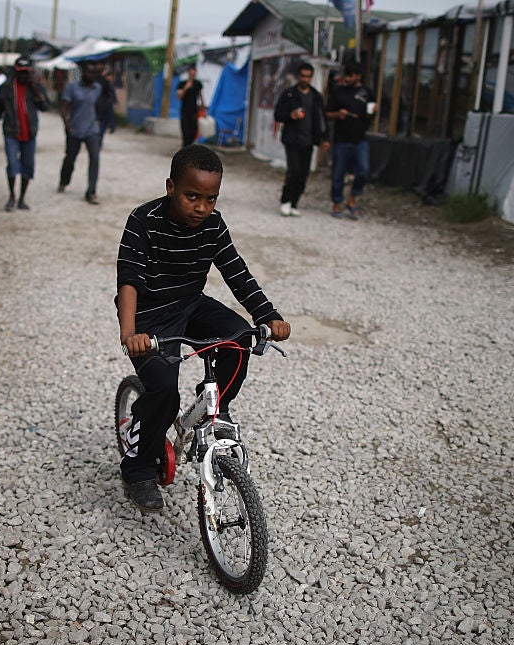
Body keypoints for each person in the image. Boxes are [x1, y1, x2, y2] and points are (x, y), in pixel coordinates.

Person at [115, 145, 291, 512]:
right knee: (164, 392)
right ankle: (137, 468)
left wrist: (269, 316)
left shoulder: (213, 224)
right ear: (170, 187)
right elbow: (128, 279)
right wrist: (129, 332)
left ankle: (217, 410)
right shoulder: (144, 220)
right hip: (149, 315)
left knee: (240, 337)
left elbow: (237, 274)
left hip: (190, 303)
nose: (201, 207)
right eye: (191, 196)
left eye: (210, 199)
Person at [0, 55, 49, 211]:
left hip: (30, 134)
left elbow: (45, 106)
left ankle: (22, 198)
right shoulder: (6, 87)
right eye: (20, 72)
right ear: (15, 71)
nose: (23, 76)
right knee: (13, 165)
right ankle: (11, 196)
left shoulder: (35, 87)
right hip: (11, 133)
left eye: (26, 72)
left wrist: (35, 90)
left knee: (28, 166)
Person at [273, 62, 330, 217]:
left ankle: (295, 202)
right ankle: (285, 200)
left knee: (303, 173)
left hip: (309, 140)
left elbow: (322, 119)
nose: (305, 79)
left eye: (308, 76)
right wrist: (290, 115)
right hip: (292, 139)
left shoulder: (316, 96)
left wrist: (325, 138)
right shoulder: (289, 94)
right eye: (303, 76)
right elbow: (277, 114)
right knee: (294, 170)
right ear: (298, 76)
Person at [326, 61, 374, 219]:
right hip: (341, 139)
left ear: (359, 76)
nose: (346, 78)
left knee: (363, 170)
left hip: (360, 139)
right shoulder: (338, 92)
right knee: (338, 172)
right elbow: (327, 114)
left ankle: (352, 200)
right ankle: (337, 203)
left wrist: (374, 111)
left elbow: (371, 114)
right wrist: (338, 114)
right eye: (346, 75)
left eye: (350, 76)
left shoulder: (367, 93)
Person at [58, 60, 104, 204]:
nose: (92, 75)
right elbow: (64, 107)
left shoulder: (97, 88)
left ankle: (91, 191)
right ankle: (64, 181)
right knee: (70, 158)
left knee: (95, 159)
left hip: (92, 130)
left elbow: (98, 106)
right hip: (75, 129)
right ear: (83, 73)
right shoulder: (72, 88)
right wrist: (67, 125)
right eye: (89, 72)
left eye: (94, 73)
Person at [176, 64, 206, 148]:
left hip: (194, 111)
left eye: (194, 74)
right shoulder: (182, 84)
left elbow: (201, 97)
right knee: (185, 131)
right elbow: (178, 96)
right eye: (191, 74)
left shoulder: (197, 84)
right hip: (185, 111)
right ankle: (184, 147)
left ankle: (189, 146)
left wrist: (203, 110)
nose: (192, 76)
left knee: (193, 131)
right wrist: (186, 88)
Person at [96, 65, 117, 147]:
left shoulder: (99, 81)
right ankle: (99, 141)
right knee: (102, 125)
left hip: (101, 107)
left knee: (102, 124)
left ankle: (99, 141)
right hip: (103, 106)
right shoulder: (103, 82)